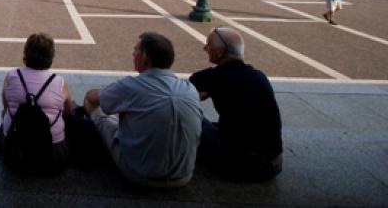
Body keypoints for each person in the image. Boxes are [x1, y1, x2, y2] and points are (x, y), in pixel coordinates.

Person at [82, 32, 202, 188]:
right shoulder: (189, 89)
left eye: (136, 50)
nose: (133, 54)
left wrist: (102, 92)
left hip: (138, 174)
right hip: (184, 175)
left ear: (145, 57)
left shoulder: (130, 86)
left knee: (96, 109)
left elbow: (93, 98)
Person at [189, 28, 283, 181]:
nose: (205, 48)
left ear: (220, 52)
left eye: (208, 45)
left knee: (194, 118)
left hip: (240, 165)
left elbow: (185, 93)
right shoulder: (258, 76)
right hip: (274, 165)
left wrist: (209, 91)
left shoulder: (215, 77)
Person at [0, 33, 71, 174]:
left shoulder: (12, 76)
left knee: (7, 114)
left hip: (15, 151)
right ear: (51, 56)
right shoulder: (59, 81)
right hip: (53, 155)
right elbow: (67, 113)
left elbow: (6, 107)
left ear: (26, 53)